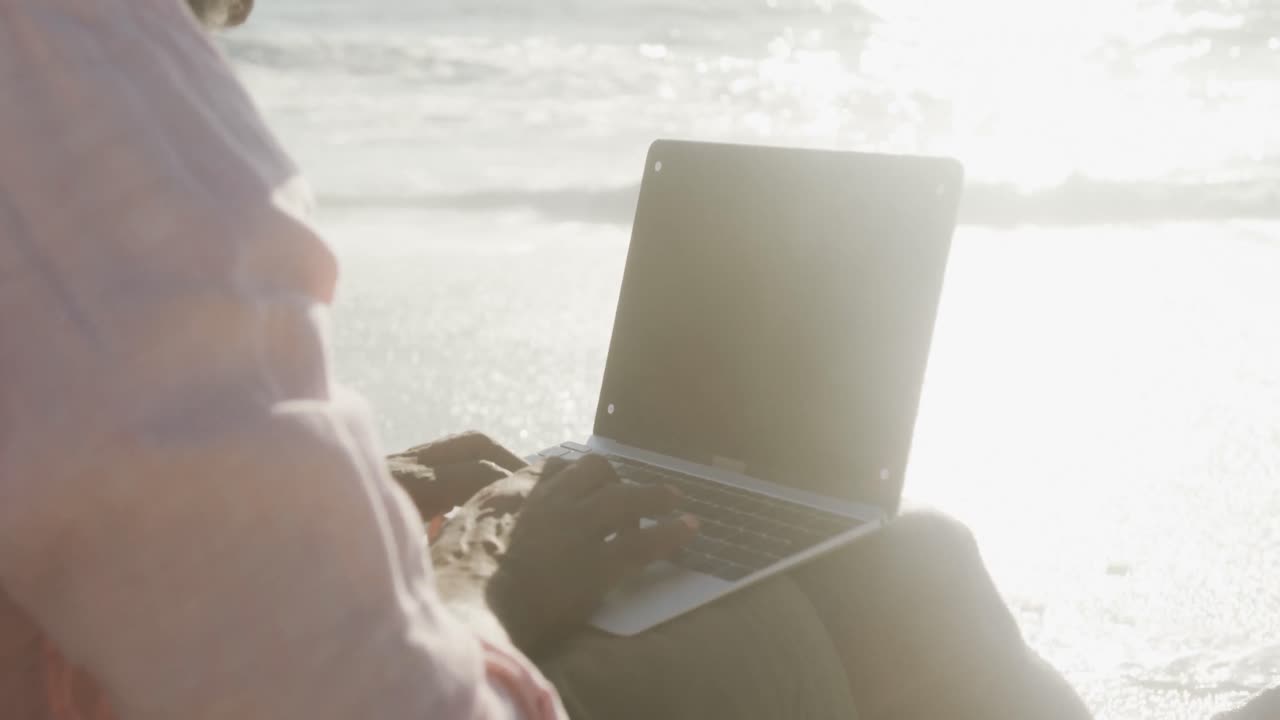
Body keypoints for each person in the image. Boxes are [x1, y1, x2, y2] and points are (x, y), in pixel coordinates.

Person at [0, 1, 1099, 718]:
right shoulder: (77, 75)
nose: (236, 15)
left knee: (508, 489)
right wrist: (502, 585)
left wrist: (376, 503)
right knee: (890, 573)